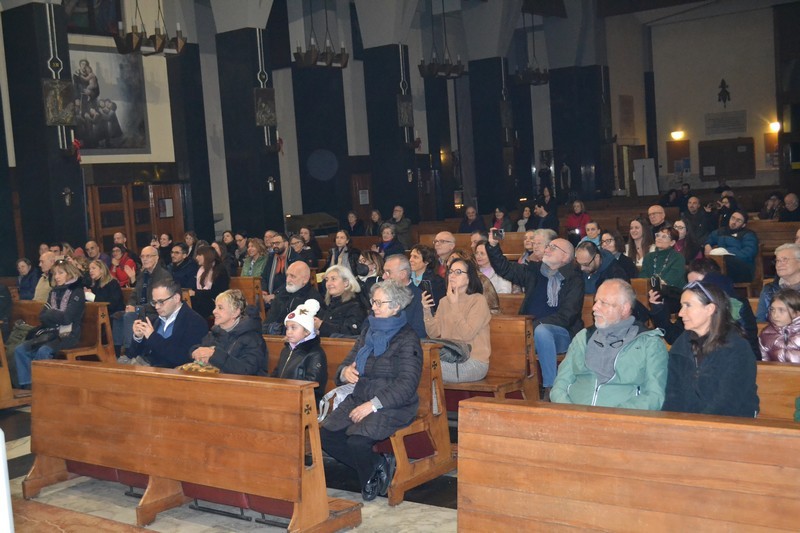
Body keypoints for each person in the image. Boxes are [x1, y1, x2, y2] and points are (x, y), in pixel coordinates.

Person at [319, 280, 422, 501]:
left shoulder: (407, 338)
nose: (373, 307)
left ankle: (368, 478)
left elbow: (407, 384)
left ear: (395, 306)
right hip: (361, 396)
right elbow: (347, 362)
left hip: (392, 404)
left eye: (379, 303)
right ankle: (377, 464)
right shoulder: (368, 330)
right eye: (373, 302)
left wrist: (373, 405)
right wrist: (345, 371)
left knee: (357, 441)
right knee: (326, 435)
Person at [486, 234, 584, 398]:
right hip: (528, 333)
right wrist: (493, 246)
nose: (547, 249)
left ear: (565, 256)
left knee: (542, 331)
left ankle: (551, 387)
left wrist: (534, 325)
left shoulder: (574, 279)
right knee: (501, 331)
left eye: (553, 247)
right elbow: (505, 269)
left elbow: (568, 316)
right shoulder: (535, 271)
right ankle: (508, 387)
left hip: (562, 335)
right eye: (548, 246)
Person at [551, 279, 668, 409]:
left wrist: (611, 417)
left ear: (624, 308)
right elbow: (560, 385)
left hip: (622, 417)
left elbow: (654, 396)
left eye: (603, 303)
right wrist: (570, 412)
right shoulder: (583, 338)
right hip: (574, 414)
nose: (594, 308)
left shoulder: (650, 343)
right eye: (596, 301)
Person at [662, 281, 759, 417]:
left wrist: (697, 425)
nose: (680, 313)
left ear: (710, 309)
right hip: (689, 423)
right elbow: (673, 394)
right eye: (681, 306)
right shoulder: (681, 345)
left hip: (731, 422)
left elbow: (728, 401)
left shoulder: (737, 347)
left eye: (688, 305)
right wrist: (670, 421)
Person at [14, 260, 85, 389]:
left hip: (68, 334)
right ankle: (28, 386)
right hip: (50, 332)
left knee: (43, 350)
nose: (56, 276)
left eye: (60, 273)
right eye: (55, 273)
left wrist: (51, 313)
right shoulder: (54, 292)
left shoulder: (77, 292)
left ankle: (45, 387)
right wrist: (54, 315)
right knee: (20, 349)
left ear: (69, 273)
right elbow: (42, 316)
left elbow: (67, 319)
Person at [422, 258, 491, 383]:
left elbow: (467, 334)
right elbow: (433, 333)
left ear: (468, 278)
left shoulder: (478, 300)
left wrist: (454, 305)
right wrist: (426, 311)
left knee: (424, 367)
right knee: (420, 365)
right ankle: (435, 397)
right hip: (450, 359)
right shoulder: (444, 301)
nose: (452, 276)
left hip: (473, 362)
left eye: (458, 272)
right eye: (450, 272)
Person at [121, 279, 208, 367]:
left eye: (161, 302)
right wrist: (138, 337)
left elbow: (181, 358)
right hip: (144, 367)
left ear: (176, 298)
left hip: (168, 372)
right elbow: (132, 354)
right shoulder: (154, 320)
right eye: (154, 302)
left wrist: (152, 337)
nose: (156, 307)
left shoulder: (195, 322)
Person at [190, 290, 267, 375]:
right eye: (215, 307)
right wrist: (195, 352)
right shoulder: (214, 333)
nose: (214, 311)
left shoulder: (252, 338)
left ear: (235, 312)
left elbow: (246, 370)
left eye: (220, 308)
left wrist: (214, 355)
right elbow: (200, 347)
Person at [272, 299, 328, 402]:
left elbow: (313, 386)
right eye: (287, 328)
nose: (288, 332)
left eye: (293, 328)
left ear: (307, 331)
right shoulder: (286, 350)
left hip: (303, 401)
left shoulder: (315, 354)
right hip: (282, 397)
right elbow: (276, 374)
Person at [263, 261, 324, 334]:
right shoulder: (281, 295)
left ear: (305, 279)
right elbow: (268, 322)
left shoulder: (313, 299)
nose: (288, 280)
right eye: (287, 275)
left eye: (292, 276)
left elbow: (306, 329)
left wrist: (279, 329)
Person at [704, 210, 759, 283]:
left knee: (723, 262)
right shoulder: (722, 232)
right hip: (722, 263)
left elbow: (748, 253)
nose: (734, 222)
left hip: (742, 268)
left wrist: (727, 254)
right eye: (733, 218)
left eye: (738, 221)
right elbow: (710, 238)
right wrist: (707, 245)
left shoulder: (748, 235)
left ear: (743, 225)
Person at [381, 255, 427, 338]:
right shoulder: (381, 294)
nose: (383, 277)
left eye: (388, 272)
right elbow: (367, 325)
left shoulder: (419, 297)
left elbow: (419, 332)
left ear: (402, 274)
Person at [315, 265, 367, 337]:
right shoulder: (327, 304)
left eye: (333, 279)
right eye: (327, 280)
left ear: (346, 283)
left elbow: (351, 333)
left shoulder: (355, 306)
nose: (328, 283)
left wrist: (322, 326)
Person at [756, 243, 800, 322]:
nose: (779, 264)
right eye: (778, 261)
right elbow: (761, 322)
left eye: (785, 259)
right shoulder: (769, 290)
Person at [759, 288, 800, 363]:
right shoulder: (766, 334)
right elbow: (765, 363)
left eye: (781, 310)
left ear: (797, 313)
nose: (775, 315)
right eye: (772, 310)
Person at [191, 245, 231, 320]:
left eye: (199, 255)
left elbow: (218, 292)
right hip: (203, 300)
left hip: (216, 301)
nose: (196, 258)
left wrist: (196, 293)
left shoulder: (219, 270)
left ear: (207, 255)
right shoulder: (201, 270)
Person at [408, 244, 446, 309]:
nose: (410, 260)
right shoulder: (406, 277)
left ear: (426, 261)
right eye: (410, 256)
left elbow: (436, 307)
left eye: (415, 257)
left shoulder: (437, 282)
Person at [262, 233, 294, 303]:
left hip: (287, 294)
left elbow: (292, 281)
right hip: (270, 294)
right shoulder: (271, 257)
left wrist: (275, 295)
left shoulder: (294, 258)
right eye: (273, 244)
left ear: (286, 243)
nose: (274, 246)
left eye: (277, 243)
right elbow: (264, 276)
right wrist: (264, 291)